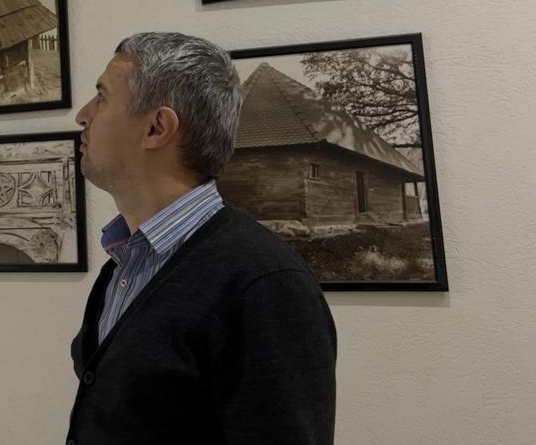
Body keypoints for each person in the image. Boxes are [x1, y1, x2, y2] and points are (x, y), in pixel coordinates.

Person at [66, 32, 336, 445]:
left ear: (157, 127)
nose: (83, 115)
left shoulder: (265, 285)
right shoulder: (123, 265)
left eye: (101, 96)